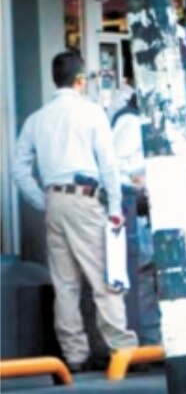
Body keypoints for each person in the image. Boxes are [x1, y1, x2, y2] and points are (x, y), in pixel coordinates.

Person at [12, 51, 138, 372]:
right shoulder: (91, 113)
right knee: (105, 278)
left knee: (65, 284)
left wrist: (43, 201)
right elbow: (108, 165)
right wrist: (114, 207)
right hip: (86, 199)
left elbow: (19, 169)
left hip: (54, 201)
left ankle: (75, 354)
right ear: (80, 80)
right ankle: (122, 347)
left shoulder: (37, 119)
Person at [110, 93, 160, 345]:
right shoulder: (130, 122)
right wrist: (138, 184)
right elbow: (117, 166)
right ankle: (147, 338)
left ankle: (149, 337)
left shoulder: (132, 119)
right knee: (144, 274)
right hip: (136, 208)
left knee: (148, 275)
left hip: (140, 207)